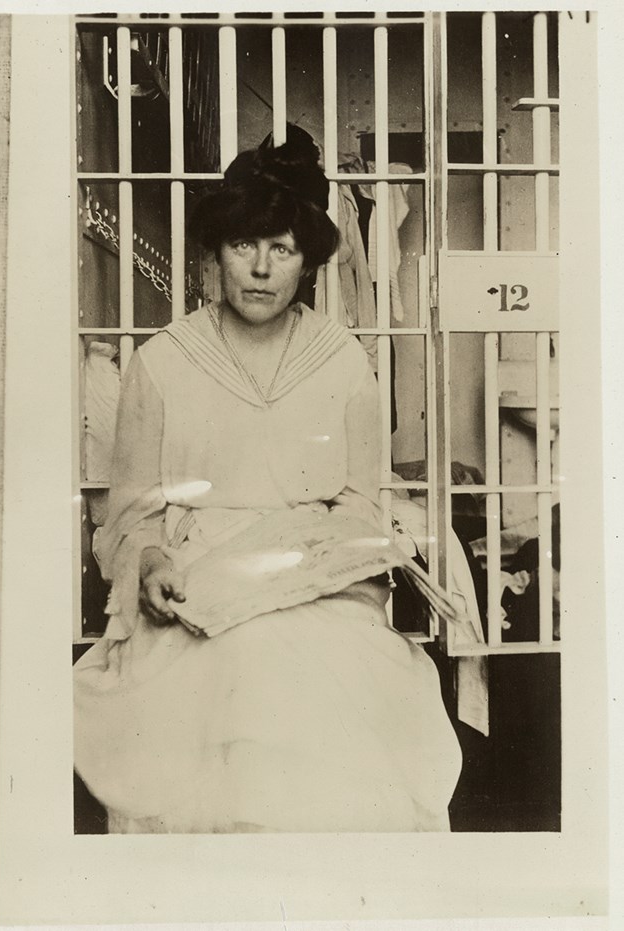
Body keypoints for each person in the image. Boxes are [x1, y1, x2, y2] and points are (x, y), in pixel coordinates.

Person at [73, 142, 462, 833]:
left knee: (341, 700)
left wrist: (328, 562)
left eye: (280, 249)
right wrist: (150, 560)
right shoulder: (162, 363)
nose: (258, 268)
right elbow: (129, 517)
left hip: (314, 582)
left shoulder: (342, 361)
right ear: (214, 253)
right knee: (236, 676)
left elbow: (363, 504)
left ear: (308, 260)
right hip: (196, 585)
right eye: (242, 244)